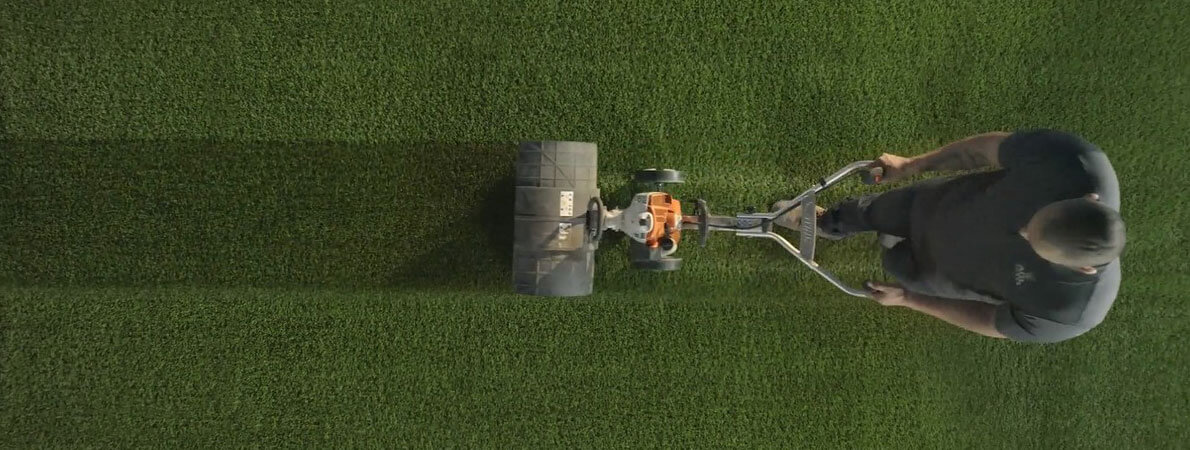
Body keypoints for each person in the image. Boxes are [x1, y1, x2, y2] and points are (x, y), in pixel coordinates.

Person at [775, 130, 1124, 343]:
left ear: (1082, 270)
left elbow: (991, 322)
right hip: (932, 205)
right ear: (1086, 199)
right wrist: (912, 165)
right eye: (1032, 220)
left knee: (893, 260)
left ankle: (892, 247)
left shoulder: (1070, 313)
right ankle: (829, 224)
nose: (1020, 231)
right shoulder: (1076, 162)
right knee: (871, 210)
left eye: (1033, 244)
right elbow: (990, 149)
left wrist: (910, 300)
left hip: (935, 273)